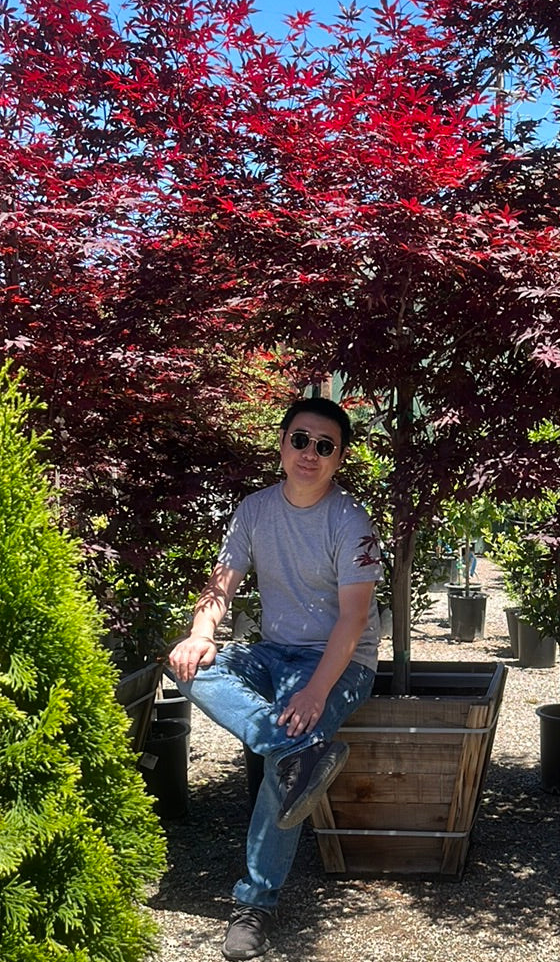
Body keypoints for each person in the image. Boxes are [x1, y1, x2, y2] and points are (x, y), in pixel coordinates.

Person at [168, 396, 382, 961]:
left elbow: (354, 620)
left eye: (325, 446)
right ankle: (291, 749)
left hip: (340, 664)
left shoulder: (350, 522)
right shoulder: (254, 510)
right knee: (191, 665)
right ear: (282, 444)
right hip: (273, 652)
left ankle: (256, 902)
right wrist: (201, 632)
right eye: (300, 440)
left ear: (339, 459)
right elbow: (222, 585)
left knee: (284, 750)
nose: (309, 453)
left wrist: (315, 692)